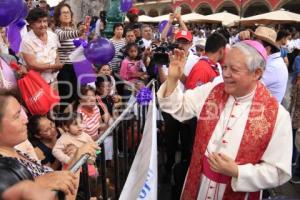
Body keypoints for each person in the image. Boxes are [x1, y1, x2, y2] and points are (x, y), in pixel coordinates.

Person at [157, 40, 292, 199]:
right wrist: (173, 78)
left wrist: (238, 171)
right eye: (225, 67)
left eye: (234, 69)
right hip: (199, 184)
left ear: (256, 73)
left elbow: (278, 171)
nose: (225, 74)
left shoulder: (277, 115)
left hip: (240, 191)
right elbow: (178, 107)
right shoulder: (212, 91)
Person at [0, 91, 99, 197]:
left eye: (21, 113)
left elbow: (65, 182)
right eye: (16, 116)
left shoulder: (18, 152)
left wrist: (77, 157)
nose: (25, 120)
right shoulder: (5, 173)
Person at [239, 26, 288, 103]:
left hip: (263, 111)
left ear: (267, 49)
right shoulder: (272, 61)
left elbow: (245, 87)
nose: (252, 47)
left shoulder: (272, 67)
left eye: (255, 45)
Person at [53, 2, 87, 111]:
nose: (66, 15)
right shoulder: (57, 31)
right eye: (63, 13)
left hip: (77, 67)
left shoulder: (73, 30)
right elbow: (64, 36)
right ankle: (63, 124)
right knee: (66, 98)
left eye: (68, 12)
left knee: (77, 97)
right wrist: (79, 32)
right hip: (64, 69)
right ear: (58, 16)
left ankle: (73, 123)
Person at [20, 8, 63, 85]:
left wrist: (57, 63)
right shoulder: (26, 41)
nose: (43, 25)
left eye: (45, 21)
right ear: (31, 24)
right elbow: (32, 65)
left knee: (55, 97)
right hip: (36, 83)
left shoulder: (53, 36)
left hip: (53, 79)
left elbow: (57, 53)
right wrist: (53, 66)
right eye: (39, 22)